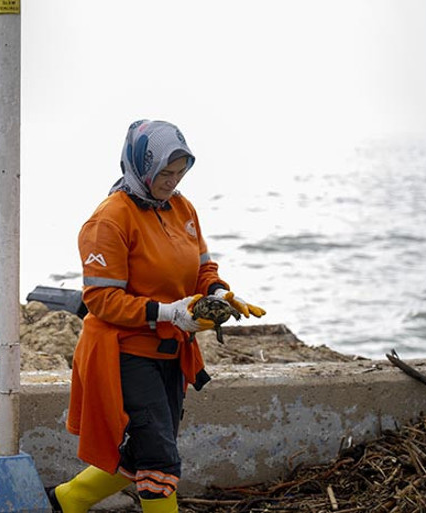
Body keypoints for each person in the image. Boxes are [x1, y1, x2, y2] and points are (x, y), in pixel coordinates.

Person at [49, 120, 266, 513]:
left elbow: (203, 269)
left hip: (171, 351)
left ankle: (69, 499)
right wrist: (169, 312)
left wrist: (218, 293)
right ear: (141, 165)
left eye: (180, 172)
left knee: (147, 449)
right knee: (160, 461)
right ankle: (73, 499)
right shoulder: (110, 219)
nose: (173, 181)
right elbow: (101, 299)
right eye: (165, 172)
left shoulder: (182, 208)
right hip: (126, 354)